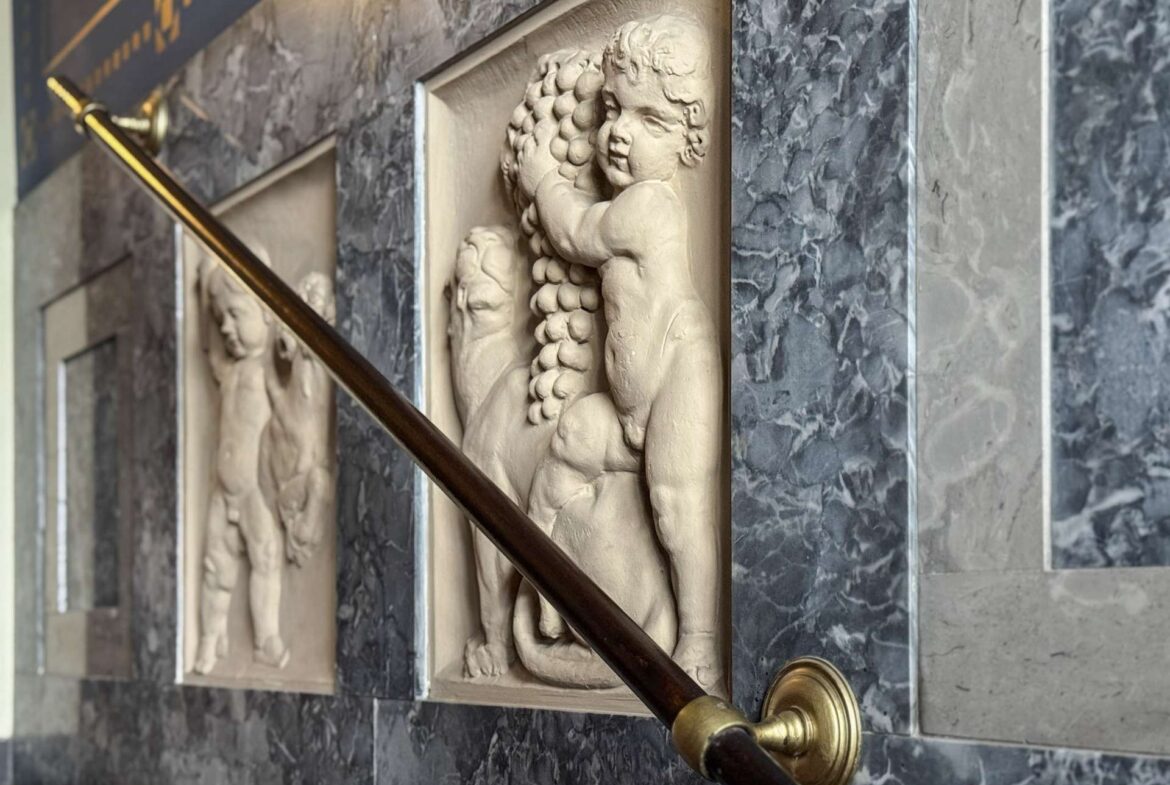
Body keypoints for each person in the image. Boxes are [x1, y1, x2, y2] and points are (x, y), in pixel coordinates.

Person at [516, 14, 724, 691]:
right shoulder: (634, 193)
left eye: (650, 121)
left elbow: (576, 233)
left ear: (689, 136)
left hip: (674, 377)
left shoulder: (650, 208)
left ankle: (696, 635)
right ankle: (544, 584)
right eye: (612, 109)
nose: (618, 134)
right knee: (571, 437)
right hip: (626, 400)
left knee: (674, 501)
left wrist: (543, 177)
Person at [194, 259, 290, 673]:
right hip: (223, 488)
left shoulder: (268, 367)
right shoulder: (228, 371)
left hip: (254, 490)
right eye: (221, 319)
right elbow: (207, 344)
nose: (226, 328)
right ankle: (211, 637)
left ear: (266, 312)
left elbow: (295, 357)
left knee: (265, 558)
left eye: (236, 315)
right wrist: (204, 291)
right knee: (215, 567)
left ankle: (266, 637)